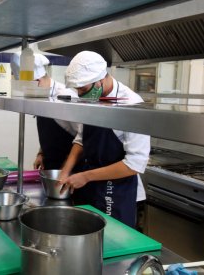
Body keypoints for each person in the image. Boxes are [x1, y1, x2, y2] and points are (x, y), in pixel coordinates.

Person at [58, 51, 150, 228]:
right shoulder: (92, 98)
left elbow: (135, 164)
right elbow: (81, 138)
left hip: (117, 193)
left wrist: (85, 176)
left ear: (100, 80)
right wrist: (65, 171)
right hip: (90, 187)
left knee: (112, 244)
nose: (80, 94)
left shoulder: (132, 104)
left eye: (83, 89)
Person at [10, 52, 79, 170]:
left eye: (27, 88)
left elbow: (83, 137)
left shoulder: (66, 97)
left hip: (71, 167)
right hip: (50, 163)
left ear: (38, 81)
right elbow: (48, 134)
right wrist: (41, 153)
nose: (26, 93)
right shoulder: (40, 95)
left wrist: (67, 165)